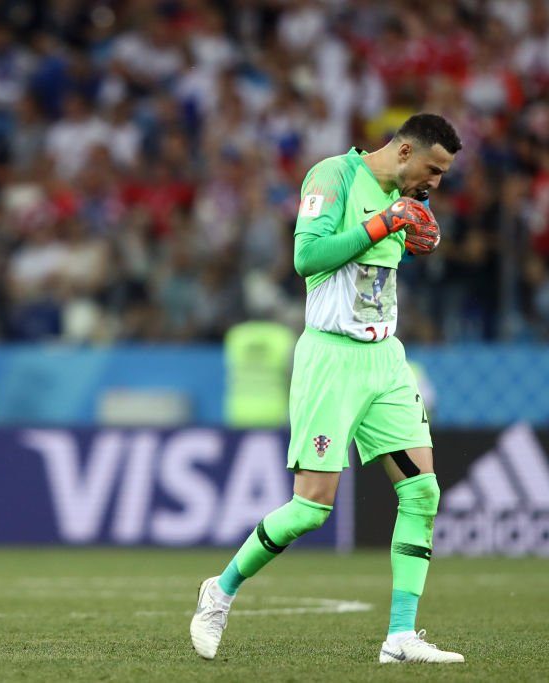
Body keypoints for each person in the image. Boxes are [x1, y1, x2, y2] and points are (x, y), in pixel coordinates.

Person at [190, 114, 464, 664]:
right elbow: (307, 258)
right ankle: (219, 592)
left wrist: (412, 236)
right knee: (311, 508)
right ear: (406, 150)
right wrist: (386, 224)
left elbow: (382, 259)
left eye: (443, 175)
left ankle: (400, 637)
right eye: (433, 169)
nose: (436, 183)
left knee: (422, 493)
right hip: (331, 357)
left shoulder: (410, 198)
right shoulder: (333, 177)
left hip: (385, 358)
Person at [222, 319, 295, 429]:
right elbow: (293, 376)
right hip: (275, 411)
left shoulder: (236, 335)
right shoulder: (283, 336)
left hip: (239, 410)